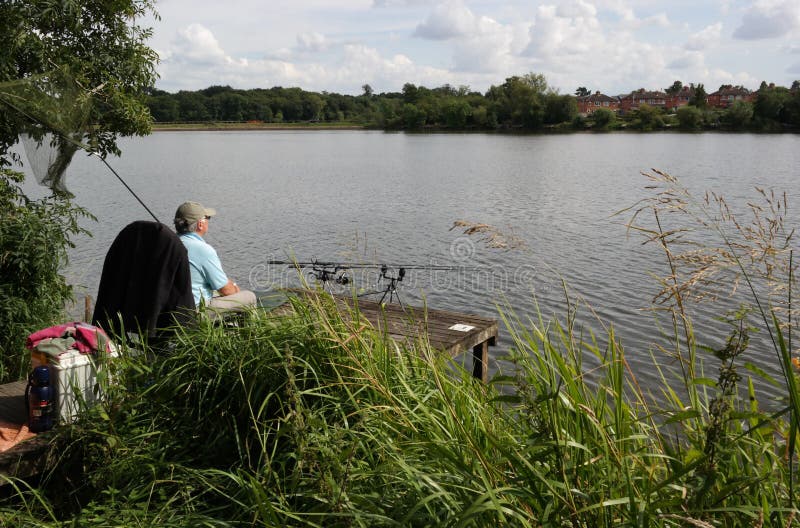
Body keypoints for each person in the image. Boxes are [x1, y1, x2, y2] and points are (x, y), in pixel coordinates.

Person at [174, 201, 256, 317]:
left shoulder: (167, 246)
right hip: (195, 312)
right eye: (207, 218)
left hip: (172, 311)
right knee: (249, 297)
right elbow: (227, 290)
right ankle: (251, 334)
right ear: (200, 224)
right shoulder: (203, 249)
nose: (208, 221)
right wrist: (235, 288)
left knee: (214, 291)